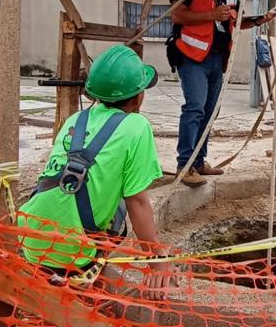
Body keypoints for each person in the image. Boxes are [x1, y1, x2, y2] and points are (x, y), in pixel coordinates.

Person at [17, 45, 173, 298]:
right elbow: (137, 201)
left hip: (30, 237)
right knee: (121, 207)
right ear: (138, 97)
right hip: (70, 255)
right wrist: (156, 258)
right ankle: (86, 272)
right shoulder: (137, 127)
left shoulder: (75, 120)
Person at [170, 0, 276, 187]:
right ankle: (185, 165)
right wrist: (210, 16)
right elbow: (176, 14)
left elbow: (235, 21)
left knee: (209, 111)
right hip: (192, 56)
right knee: (195, 108)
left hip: (218, 58)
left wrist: (260, 19)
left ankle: (198, 162)